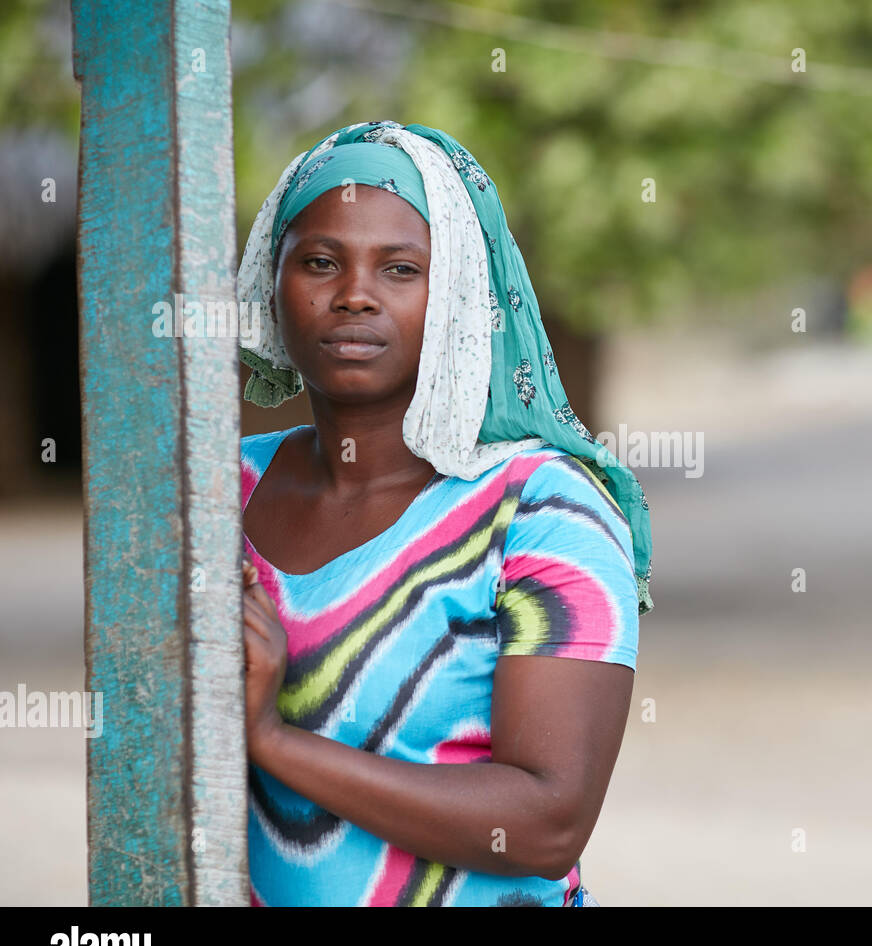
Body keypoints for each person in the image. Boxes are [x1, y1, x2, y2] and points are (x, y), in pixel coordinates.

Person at [235, 120, 653, 906]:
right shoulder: (221, 488)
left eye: (400, 268)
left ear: (459, 293)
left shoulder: (543, 511)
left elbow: (545, 823)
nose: (353, 294)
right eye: (320, 262)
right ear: (272, 279)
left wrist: (272, 740)